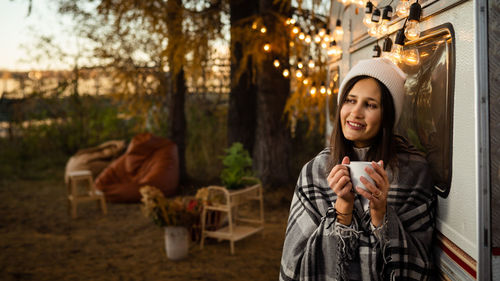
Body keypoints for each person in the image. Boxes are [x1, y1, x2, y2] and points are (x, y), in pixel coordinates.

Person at [279, 58, 436, 281]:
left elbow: (419, 265)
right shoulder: (315, 171)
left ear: (387, 116)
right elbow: (294, 263)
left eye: (370, 105)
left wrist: (381, 214)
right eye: (350, 101)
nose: (356, 113)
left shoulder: (414, 171)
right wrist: (342, 208)